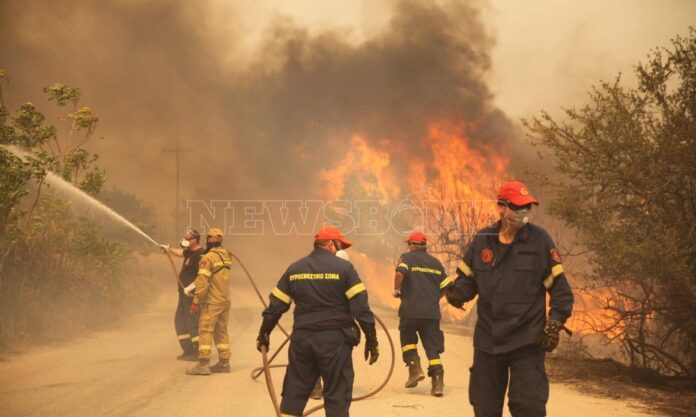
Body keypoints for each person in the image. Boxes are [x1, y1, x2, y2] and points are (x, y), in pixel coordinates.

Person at [445, 181, 574, 417]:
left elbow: (560, 290)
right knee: (484, 408)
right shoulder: (482, 240)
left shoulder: (540, 241)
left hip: (527, 340)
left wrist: (555, 321)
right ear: (501, 208)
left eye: (527, 207)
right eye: (517, 207)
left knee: (529, 407)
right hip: (488, 340)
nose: (524, 212)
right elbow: (468, 280)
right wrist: (459, 293)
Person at [256, 227, 379, 417]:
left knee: (294, 391)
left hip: (302, 340)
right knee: (337, 392)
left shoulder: (295, 268)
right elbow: (361, 308)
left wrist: (264, 333)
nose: (340, 250)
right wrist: (371, 339)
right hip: (335, 340)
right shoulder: (344, 268)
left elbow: (276, 306)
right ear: (330, 244)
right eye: (340, 246)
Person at [393, 231, 451, 396]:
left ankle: (415, 369)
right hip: (431, 313)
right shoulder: (435, 263)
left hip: (410, 311)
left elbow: (399, 273)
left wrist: (396, 290)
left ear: (412, 246)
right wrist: (434, 298)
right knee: (432, 347)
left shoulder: (407, 258)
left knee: (408, 340)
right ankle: (438, 383)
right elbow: (447, 287)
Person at [186, 227, 234, 376]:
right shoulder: (227, 255)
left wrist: (196, 301)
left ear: (207, 240)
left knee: (205, 330)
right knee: (221, 331)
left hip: (212, 301)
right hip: (224, 300)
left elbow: (203, 281)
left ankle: (203, 364)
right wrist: (192, 286)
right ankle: (224, 363)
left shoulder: (207, 258)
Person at [161, 229, 204, 361]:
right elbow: (181, 253)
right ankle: (188, 350)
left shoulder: (200, 255)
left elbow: (203, 275)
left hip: (191, 295)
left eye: (187, 238)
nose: (184, 240)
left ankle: (198, 352)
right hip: (183, 294)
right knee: (180, 321)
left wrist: (191, 287)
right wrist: (169, 249)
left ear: (195, 240)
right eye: (184, 237)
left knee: (192, 322)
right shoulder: (190, 251)